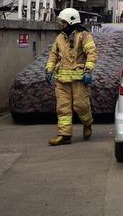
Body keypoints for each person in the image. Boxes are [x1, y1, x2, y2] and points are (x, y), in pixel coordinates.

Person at [45, 8, 99, 146]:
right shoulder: (59, 38)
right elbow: (53, 55)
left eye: (63, 22)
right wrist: (49, 69)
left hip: (79, 80)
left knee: (81, 106)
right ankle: (64, 135)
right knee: (62, 108)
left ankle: (87, 123)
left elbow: (92, 53)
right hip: (62, 80)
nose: (61, 24)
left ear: (71, 22)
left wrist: (88, 71)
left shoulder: (83, 36)